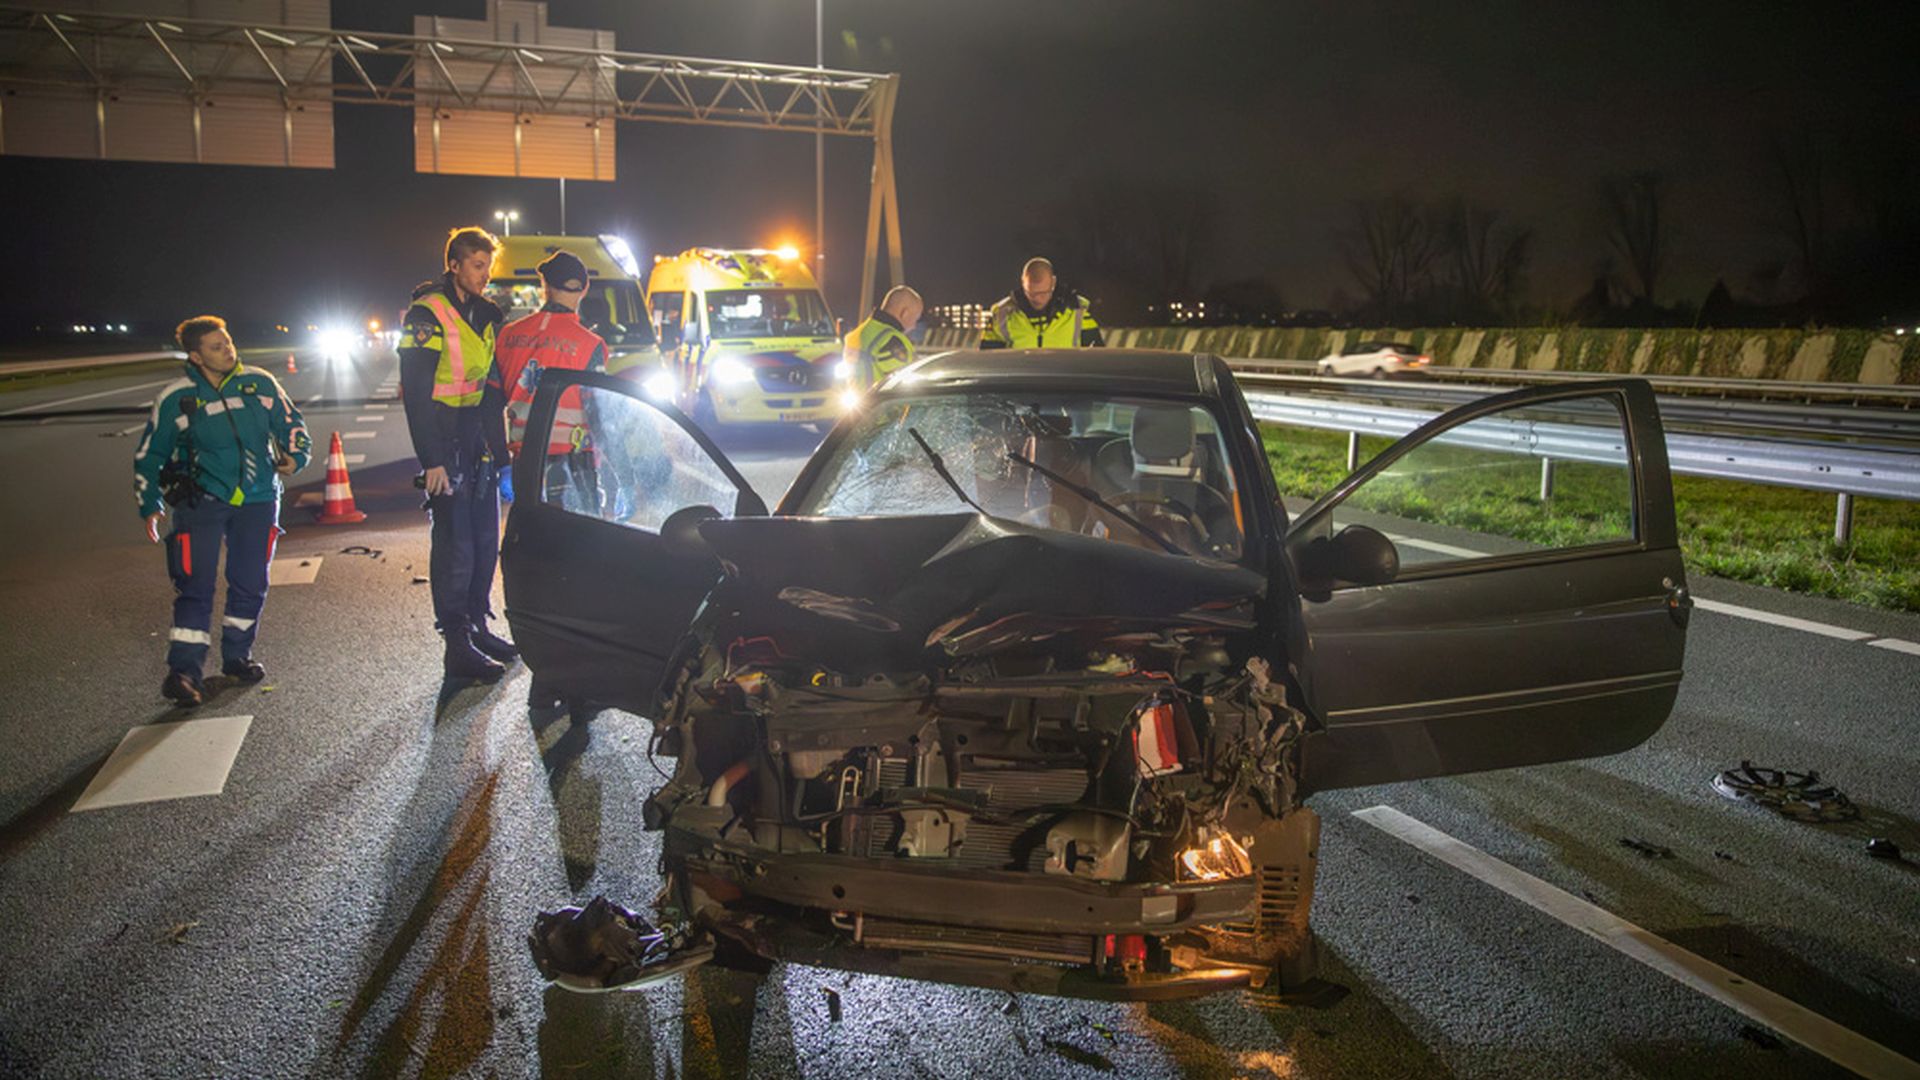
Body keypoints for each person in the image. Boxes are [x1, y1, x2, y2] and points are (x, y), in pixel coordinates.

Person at [135, 315, 311, 706]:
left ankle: (237, 657)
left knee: (250, 582)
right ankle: (183, 672)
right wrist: (150, 504)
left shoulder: (260, 384)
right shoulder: (178, 398)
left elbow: (292, 425)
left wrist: (295, 457)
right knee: (195, 588)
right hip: (201, 502)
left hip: (260, 499)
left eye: (228, 342)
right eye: (216, 347)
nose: (228, 350)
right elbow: (150, 455)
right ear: (196, 357)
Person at [400, 226, 517, 682]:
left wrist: (503, 458)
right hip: (443, 435)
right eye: (476, 265)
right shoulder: (426, 314)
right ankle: (457, 644)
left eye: (488, 267)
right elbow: (415, 392)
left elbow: (491, 393)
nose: (484, 275)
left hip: (475, 435)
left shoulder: (487, 314)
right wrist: (431, 459)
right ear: (454, 265)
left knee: (486, 539)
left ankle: (477, 625)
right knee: (455, 544)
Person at [980, 257, 1104, 349]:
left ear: (1053, 282)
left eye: (1044, 293)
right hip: (1018, 384)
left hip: (1065, 383)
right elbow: (987, 361)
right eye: (1032, 293)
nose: (1038, 299)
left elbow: (1097, 356)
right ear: (1023, 283)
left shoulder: (1077, 311)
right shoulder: (1002, 314)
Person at [843, 285, 923, 384]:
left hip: (858, 398)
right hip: (880, 399)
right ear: (904, 313)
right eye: (915, 318)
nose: (914, 326)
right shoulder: (891, 340)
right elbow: (906, 384)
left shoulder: (858, 333)